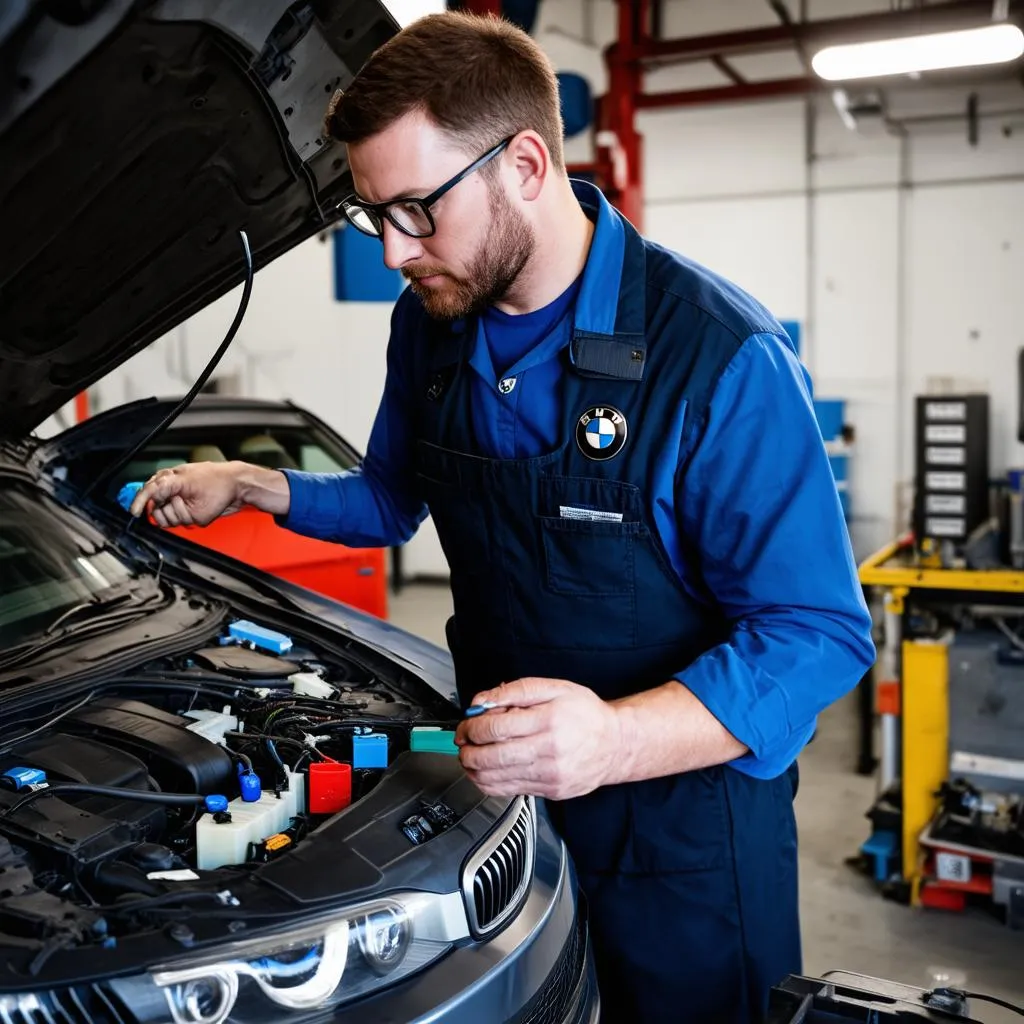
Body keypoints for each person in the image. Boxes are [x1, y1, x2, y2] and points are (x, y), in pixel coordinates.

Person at [130, 12, 875, 1022]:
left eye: (414, 210)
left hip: (683, 836)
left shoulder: (718, 359)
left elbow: (818, 633)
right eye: (372, 217)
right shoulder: (430, 327)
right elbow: (393, 503)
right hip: (496, 805)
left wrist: (610, 741)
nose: (394, 251)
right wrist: (256, 486)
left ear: (524, 163)